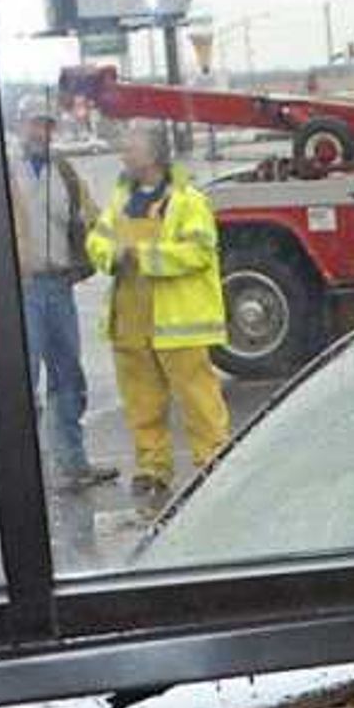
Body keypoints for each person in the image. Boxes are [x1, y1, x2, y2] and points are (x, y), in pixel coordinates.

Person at [84, 120, 229, 507]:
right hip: (130, 315)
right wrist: (110, 254)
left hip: (177, 320)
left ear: (152, 154)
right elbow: (97, 239)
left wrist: (144, 256)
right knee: (141, 399)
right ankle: (152, 469)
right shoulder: (121, 198)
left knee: (198, 398)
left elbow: (200, 252)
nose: (123, 154)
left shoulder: (187, 200)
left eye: (130, 148)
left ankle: (213, 463)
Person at [9, 109, 108, 489]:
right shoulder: (3, 173)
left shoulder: (65, 173)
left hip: (59, 286)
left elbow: (94, 218)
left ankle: (73, 463)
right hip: (24, 289)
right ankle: (24, 471)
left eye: (48, 125)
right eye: (35, 123)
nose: (42, 132)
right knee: (23, 380)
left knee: (68, 376)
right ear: (20, 127)